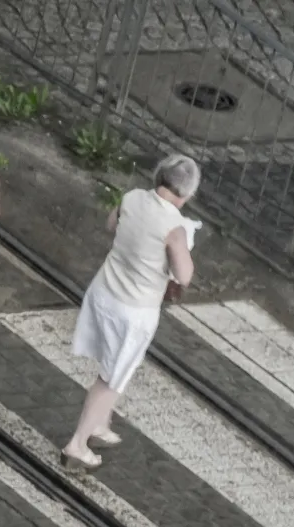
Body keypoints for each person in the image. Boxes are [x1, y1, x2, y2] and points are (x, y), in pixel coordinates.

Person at [60, 154, 200, 472]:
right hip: (133, 312)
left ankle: (99, 425)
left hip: (104, 292)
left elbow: (112, 224)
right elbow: (185, 274)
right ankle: (77, 444)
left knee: (115, 368)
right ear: (188, 193)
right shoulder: (175, 227)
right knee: (111, 378)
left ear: (158, 175)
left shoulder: (132, 197)